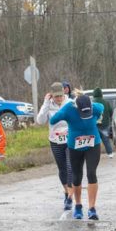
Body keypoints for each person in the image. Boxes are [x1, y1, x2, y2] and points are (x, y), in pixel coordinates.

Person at [50, 93, 104, 220]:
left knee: (91, 173)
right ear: (76, 107)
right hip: (75, 146)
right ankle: (78, 205)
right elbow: (53, 120)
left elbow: (102, 107)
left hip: (93, 144)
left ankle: (92, 208)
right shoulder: (69, 108)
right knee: (76, 176)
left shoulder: (96, 107)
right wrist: (63, 112)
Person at [37, 82, 75, 211]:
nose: (59, 99)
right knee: (62, 168)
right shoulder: (48, 105)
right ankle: (66, 191)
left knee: (70, 168)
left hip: (70, 139)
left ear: (64, 93)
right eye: (56, 97)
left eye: (60, 96)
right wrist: (45, 104)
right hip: (55, 140)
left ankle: (70, 197)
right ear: (51, 96)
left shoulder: (70, 103)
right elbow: (40, 121)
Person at [92, 88, 114, 158]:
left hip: (95, 124)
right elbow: (111, 111)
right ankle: (110, 153)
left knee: (95, 140)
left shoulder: (92, 102)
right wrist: (108, 118)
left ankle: (95, 154)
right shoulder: (106, 102)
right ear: (101, 94)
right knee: (106, 139)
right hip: (105, 124)